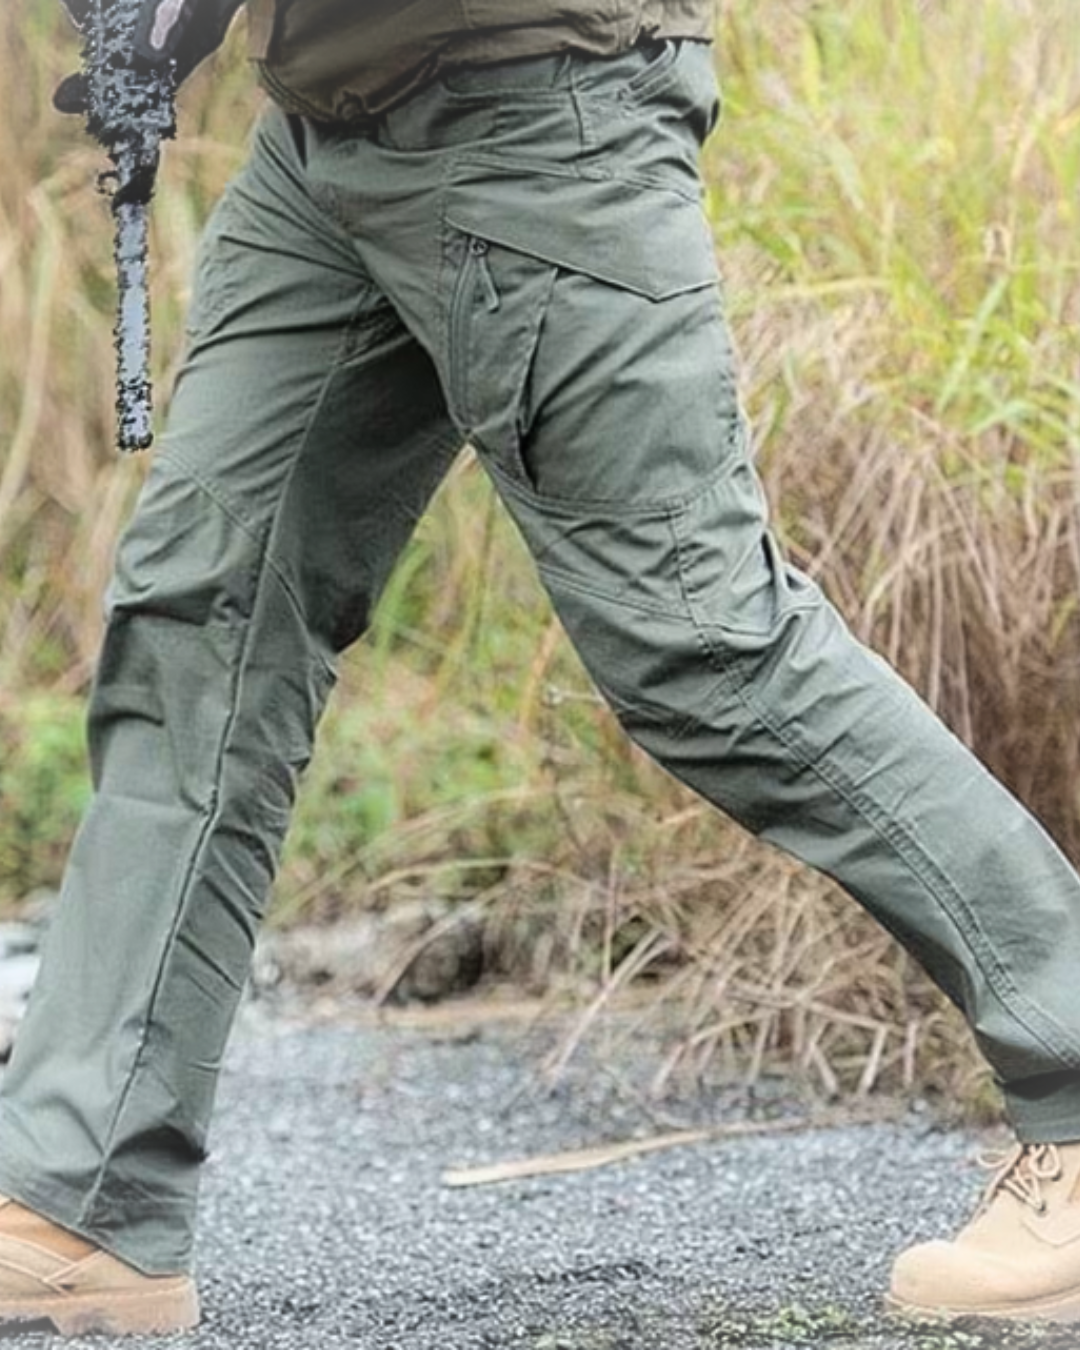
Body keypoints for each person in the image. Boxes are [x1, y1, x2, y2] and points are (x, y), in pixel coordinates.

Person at [1, 0, 1079, 1336]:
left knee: (704, 641)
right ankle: (80, 1198)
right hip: (328, 138)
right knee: (198, 622)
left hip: (537, 115)